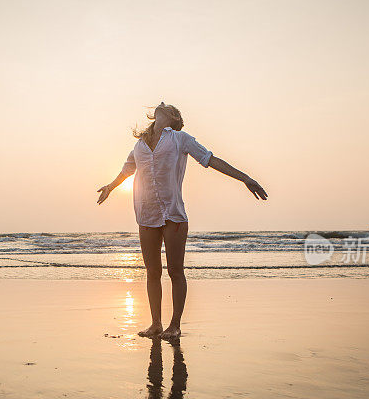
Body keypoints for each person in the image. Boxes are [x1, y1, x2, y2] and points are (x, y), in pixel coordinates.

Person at [96, 102, 268, 340]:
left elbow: (211, 159)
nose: (162, 103)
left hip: (173, 214)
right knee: (152, 271)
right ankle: (156, 324)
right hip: (146, 214)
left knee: (176, 271)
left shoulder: (180, 139)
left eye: (168, 106)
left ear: (173, 117)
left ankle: (174, 325)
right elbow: (127, 170)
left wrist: (245, 178)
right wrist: (110, 187)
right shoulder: (139, 145)